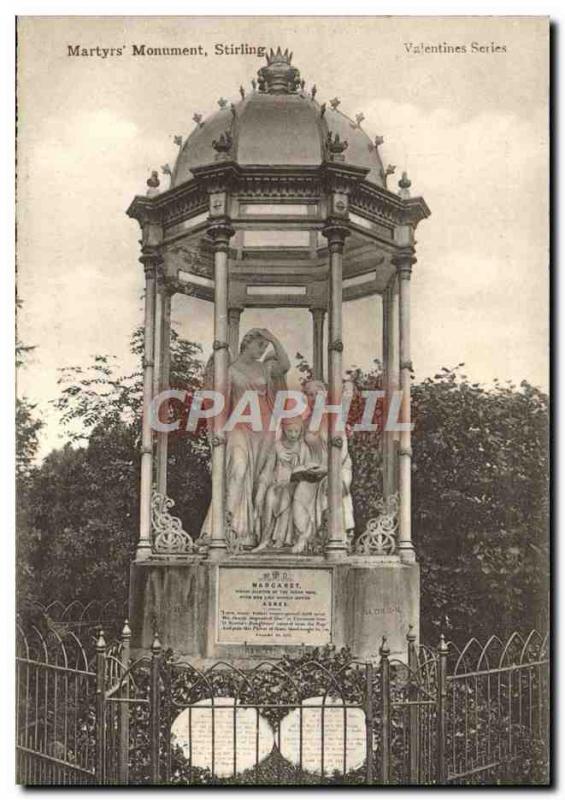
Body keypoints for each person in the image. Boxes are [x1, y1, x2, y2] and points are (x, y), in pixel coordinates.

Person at [200, 327, 290, 549]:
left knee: (260, 481)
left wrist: (273, 338)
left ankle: (247, 535)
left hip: (265, 429)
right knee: (238, 471)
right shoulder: (229, 370)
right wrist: (217, 431)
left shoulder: (266, 368)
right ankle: (223, 528)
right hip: (239, 427)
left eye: (265, 347)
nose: (262, 350)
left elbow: (285, 365)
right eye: (259, 345)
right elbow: (219, 403)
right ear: (246, 343)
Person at [291, 380, 355, 553]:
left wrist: (327, 470)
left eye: (317, 394)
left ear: (325, 395)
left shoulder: (335, 417)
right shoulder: (305, 423)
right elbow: (303, 451)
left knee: (330, 487)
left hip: (337, 469)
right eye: (309, 395)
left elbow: (342, 453)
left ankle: (338, 538)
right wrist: (303, 469)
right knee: (299, 494)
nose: (313, 399)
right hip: (315, 470)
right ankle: (305, 535)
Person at [252, 416, 310, 551]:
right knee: (270, 495)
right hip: (277, 484)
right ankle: (265, 540)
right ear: (284, 430)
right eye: (290, 431)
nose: (293, 435)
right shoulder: (276, 447)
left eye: (296, 431)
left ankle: (282, 539)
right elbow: (267, 471)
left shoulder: (303, 448)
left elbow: (306, 468)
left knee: (286, 495)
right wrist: (261, 489)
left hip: (296, 485)